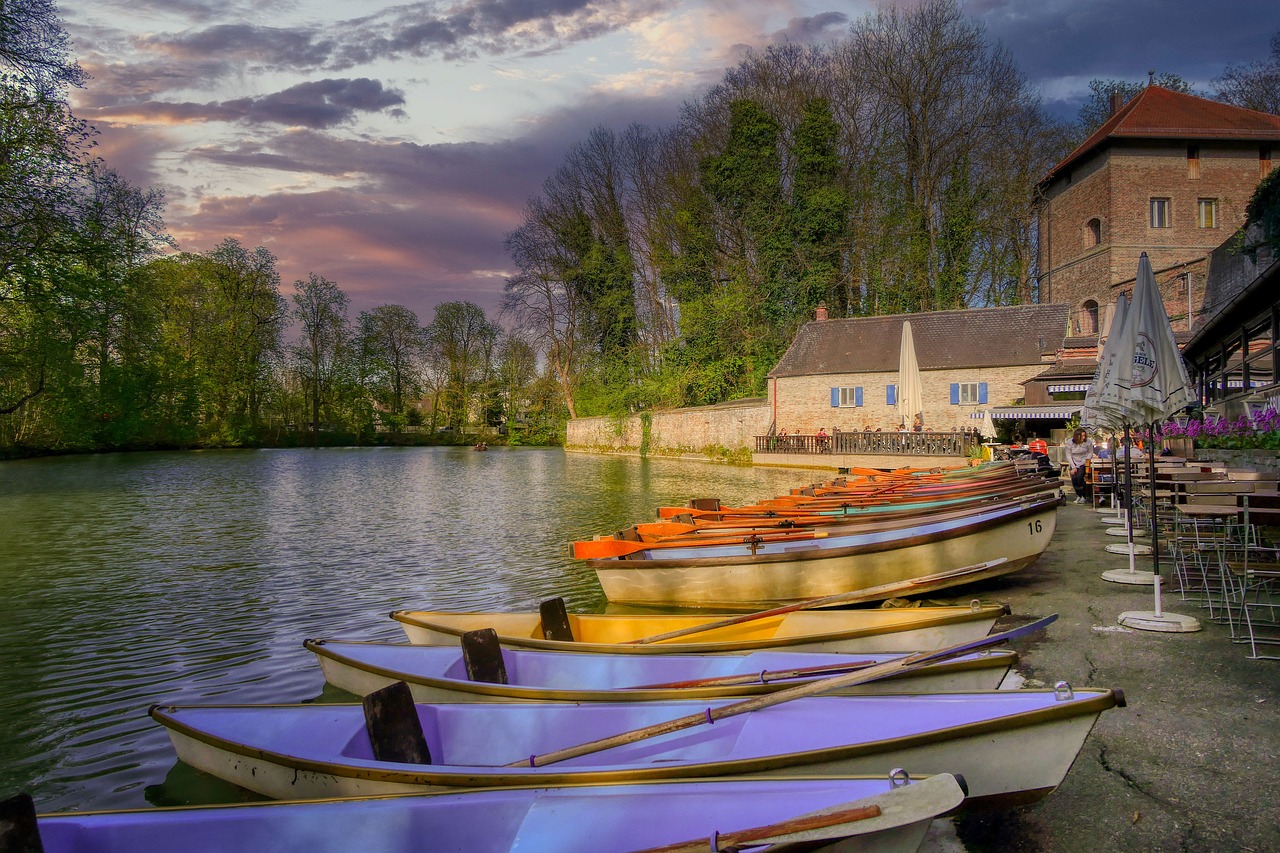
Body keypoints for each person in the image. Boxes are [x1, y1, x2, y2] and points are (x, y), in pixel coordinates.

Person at [1064, 427, 1095, 504]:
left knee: (1080, 477)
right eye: (1082, 436)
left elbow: (1090, 452)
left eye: (1085, 436)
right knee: (1074, 478)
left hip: (1084, 461)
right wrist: (1073, 466)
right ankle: (1079, 494)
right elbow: (1068, 454)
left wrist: (1086, 460)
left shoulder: (1088, 442)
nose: (1084, 437)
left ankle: (1084, 496)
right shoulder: (1070, 442)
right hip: (1074, 461)